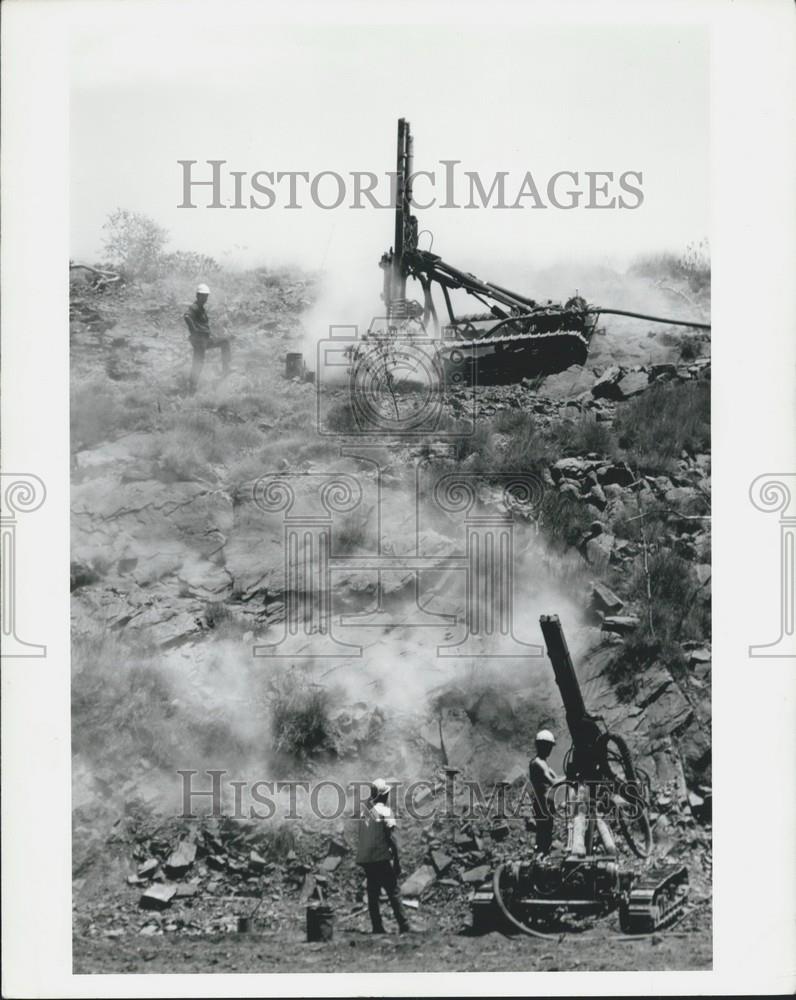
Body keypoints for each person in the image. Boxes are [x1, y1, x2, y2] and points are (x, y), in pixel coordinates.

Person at [355, 778, 411, 935]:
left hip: (368, 860)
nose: (387, 796)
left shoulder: (364, 813)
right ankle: (404, 924)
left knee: (373, 894)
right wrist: (397, 860)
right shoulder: (385, 812)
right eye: (386, 794)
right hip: (381, 858)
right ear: (382, 795)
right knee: (393, 891)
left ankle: (377, 927)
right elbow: (391, 838)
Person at [184, 283, 230, 393]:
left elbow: (202, 324)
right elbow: (187, 316)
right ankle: (192, 387)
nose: (205, 298)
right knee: (198, 362)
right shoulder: (195, 307)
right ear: (197, 295)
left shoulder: (201, 308)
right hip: (199, 341)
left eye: (206, 296)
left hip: (205, 339)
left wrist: (208, 333)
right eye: (203, 296)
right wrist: (194, 330)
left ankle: (226, 369)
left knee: (225, 342)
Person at [529, 729, 558, 854]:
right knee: (543, 832)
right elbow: (554, 782)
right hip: (541, 804)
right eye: (548, 746)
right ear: (541, 746)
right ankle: (541, 856)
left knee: (547, 831)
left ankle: (544, 856)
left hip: (547, 803)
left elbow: (556, 779)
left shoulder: (544, 763)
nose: (550, 750)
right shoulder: (537, 763)